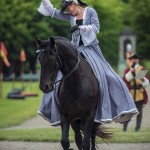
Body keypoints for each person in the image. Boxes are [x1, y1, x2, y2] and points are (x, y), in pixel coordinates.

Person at [37, 0, 138, 126]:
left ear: (74, 4)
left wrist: (81, 27)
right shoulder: (71, 16)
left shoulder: (90, 11)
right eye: (68, 11)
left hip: (90, 49)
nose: (69, 12)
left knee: (107, 75)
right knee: (57, 76)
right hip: (75, 50)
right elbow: (53, 12)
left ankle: (120, 107)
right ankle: (50, 107)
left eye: (69, 9)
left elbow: (96, 28)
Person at [122, 53, 149, 132]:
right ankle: (124, 128)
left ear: (138, 60)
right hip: (130, 93)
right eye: (133, 58)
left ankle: (137, 128)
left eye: (136, 58)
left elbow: (144, 82)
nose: (135, 60)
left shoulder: (142, 69)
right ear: (132, 60)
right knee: (128, 112)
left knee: (139, 112)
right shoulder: (128, 70)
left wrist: (141, 80)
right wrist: (131, 72)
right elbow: (125, 80)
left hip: (139, 93)